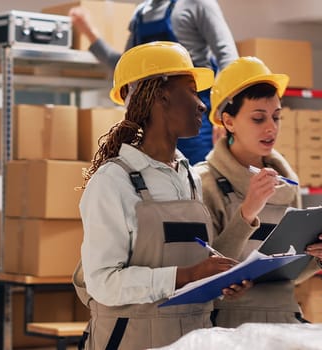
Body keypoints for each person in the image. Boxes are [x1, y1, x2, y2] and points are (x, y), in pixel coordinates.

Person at [73, 41, 250, 350]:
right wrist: (188, 274)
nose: (202, 105)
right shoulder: (113, 182)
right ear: (160, 95)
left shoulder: (188, 176)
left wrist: (218, 280)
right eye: (192, 91)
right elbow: (103, 283)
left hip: (192, 339)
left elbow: (191, 258)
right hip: (132, 341)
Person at [194, 56, 322, 327]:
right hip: (230, 326)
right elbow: (203, 273)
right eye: (258, 118)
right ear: (229, 122)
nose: (271, 127)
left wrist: (320, 257)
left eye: (276, 117)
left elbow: (288, 275)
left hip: (284, 318)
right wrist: (247, 212)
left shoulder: (287, 183)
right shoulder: (204, 182)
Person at [69, 0, 238, 165]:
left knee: (195, 179)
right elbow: (124, 66)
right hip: (154, 120)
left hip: (195, 117)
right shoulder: (141, 14)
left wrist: (222, 110)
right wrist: (89, 33)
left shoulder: (198, 4)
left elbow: (228, 58)